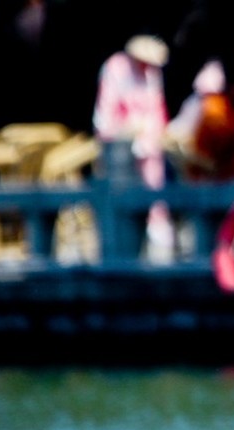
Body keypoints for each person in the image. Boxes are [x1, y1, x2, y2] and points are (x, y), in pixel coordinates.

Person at [93, 34, 174, 263]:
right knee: (122, 197)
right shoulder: (114, 68)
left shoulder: (153, 73)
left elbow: (158, 109)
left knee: (156, 189)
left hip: (150, 145)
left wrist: (160, 133)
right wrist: (127, 129)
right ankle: (121, 247)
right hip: (120, 144)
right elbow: (104, 115)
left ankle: (160, 244)